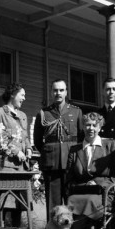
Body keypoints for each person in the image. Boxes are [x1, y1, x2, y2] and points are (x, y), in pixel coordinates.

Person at [66, 112, 115, 229]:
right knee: (72, 200)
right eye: (87, 125)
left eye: (94, 125)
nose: (90, 128)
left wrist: (101, 184)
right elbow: (69, 176)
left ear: (100, 127)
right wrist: (78, 186)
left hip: (104, 193)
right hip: (81, 191)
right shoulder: (75, 150)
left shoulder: (110, 145)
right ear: (83, 127)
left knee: (89, 201)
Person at [33, 79, 83, 219]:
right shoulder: (44, 113)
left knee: (71, 201)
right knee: (53, 204)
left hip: (71, 163)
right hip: (52, 163)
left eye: (61, 90)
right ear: (51, 92)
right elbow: (38, 140)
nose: (58, 93)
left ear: (66, 92)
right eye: (55, 90)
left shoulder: (76, 112)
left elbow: (81, 138)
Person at [0, 82, 33, 226]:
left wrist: (28, 149)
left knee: (20, 203)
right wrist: (16, 151)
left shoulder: (23, 115)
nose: (24, 98)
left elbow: (25, 137)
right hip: (6, 165)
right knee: (4, 203)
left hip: (22, 167)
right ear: (13, 94)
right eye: (22, 95)